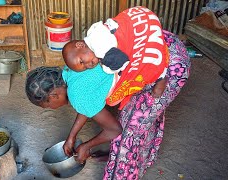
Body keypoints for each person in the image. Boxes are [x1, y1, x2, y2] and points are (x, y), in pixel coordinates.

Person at [25, 8, 190, 180]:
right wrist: (72, 137)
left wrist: (87, 146)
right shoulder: (71, 69)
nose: (51, 108)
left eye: (47, 106)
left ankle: (122, 163)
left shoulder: (79, 97)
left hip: (170, 66)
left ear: (53, 97)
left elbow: (113, 129)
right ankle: (121, 156)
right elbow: (88, 104)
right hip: (159, 40)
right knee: (137, 118)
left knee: (129, 132)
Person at [63, 6, 169, 101]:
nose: (88, 65)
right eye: (85, 67)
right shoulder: (92, 31)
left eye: (82, 61)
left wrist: (106, 67)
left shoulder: (100, 49)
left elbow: (122, 62)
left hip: (148, 30)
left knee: (146, 63)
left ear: (80, 45)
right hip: (141, 15)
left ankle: (161, 77)